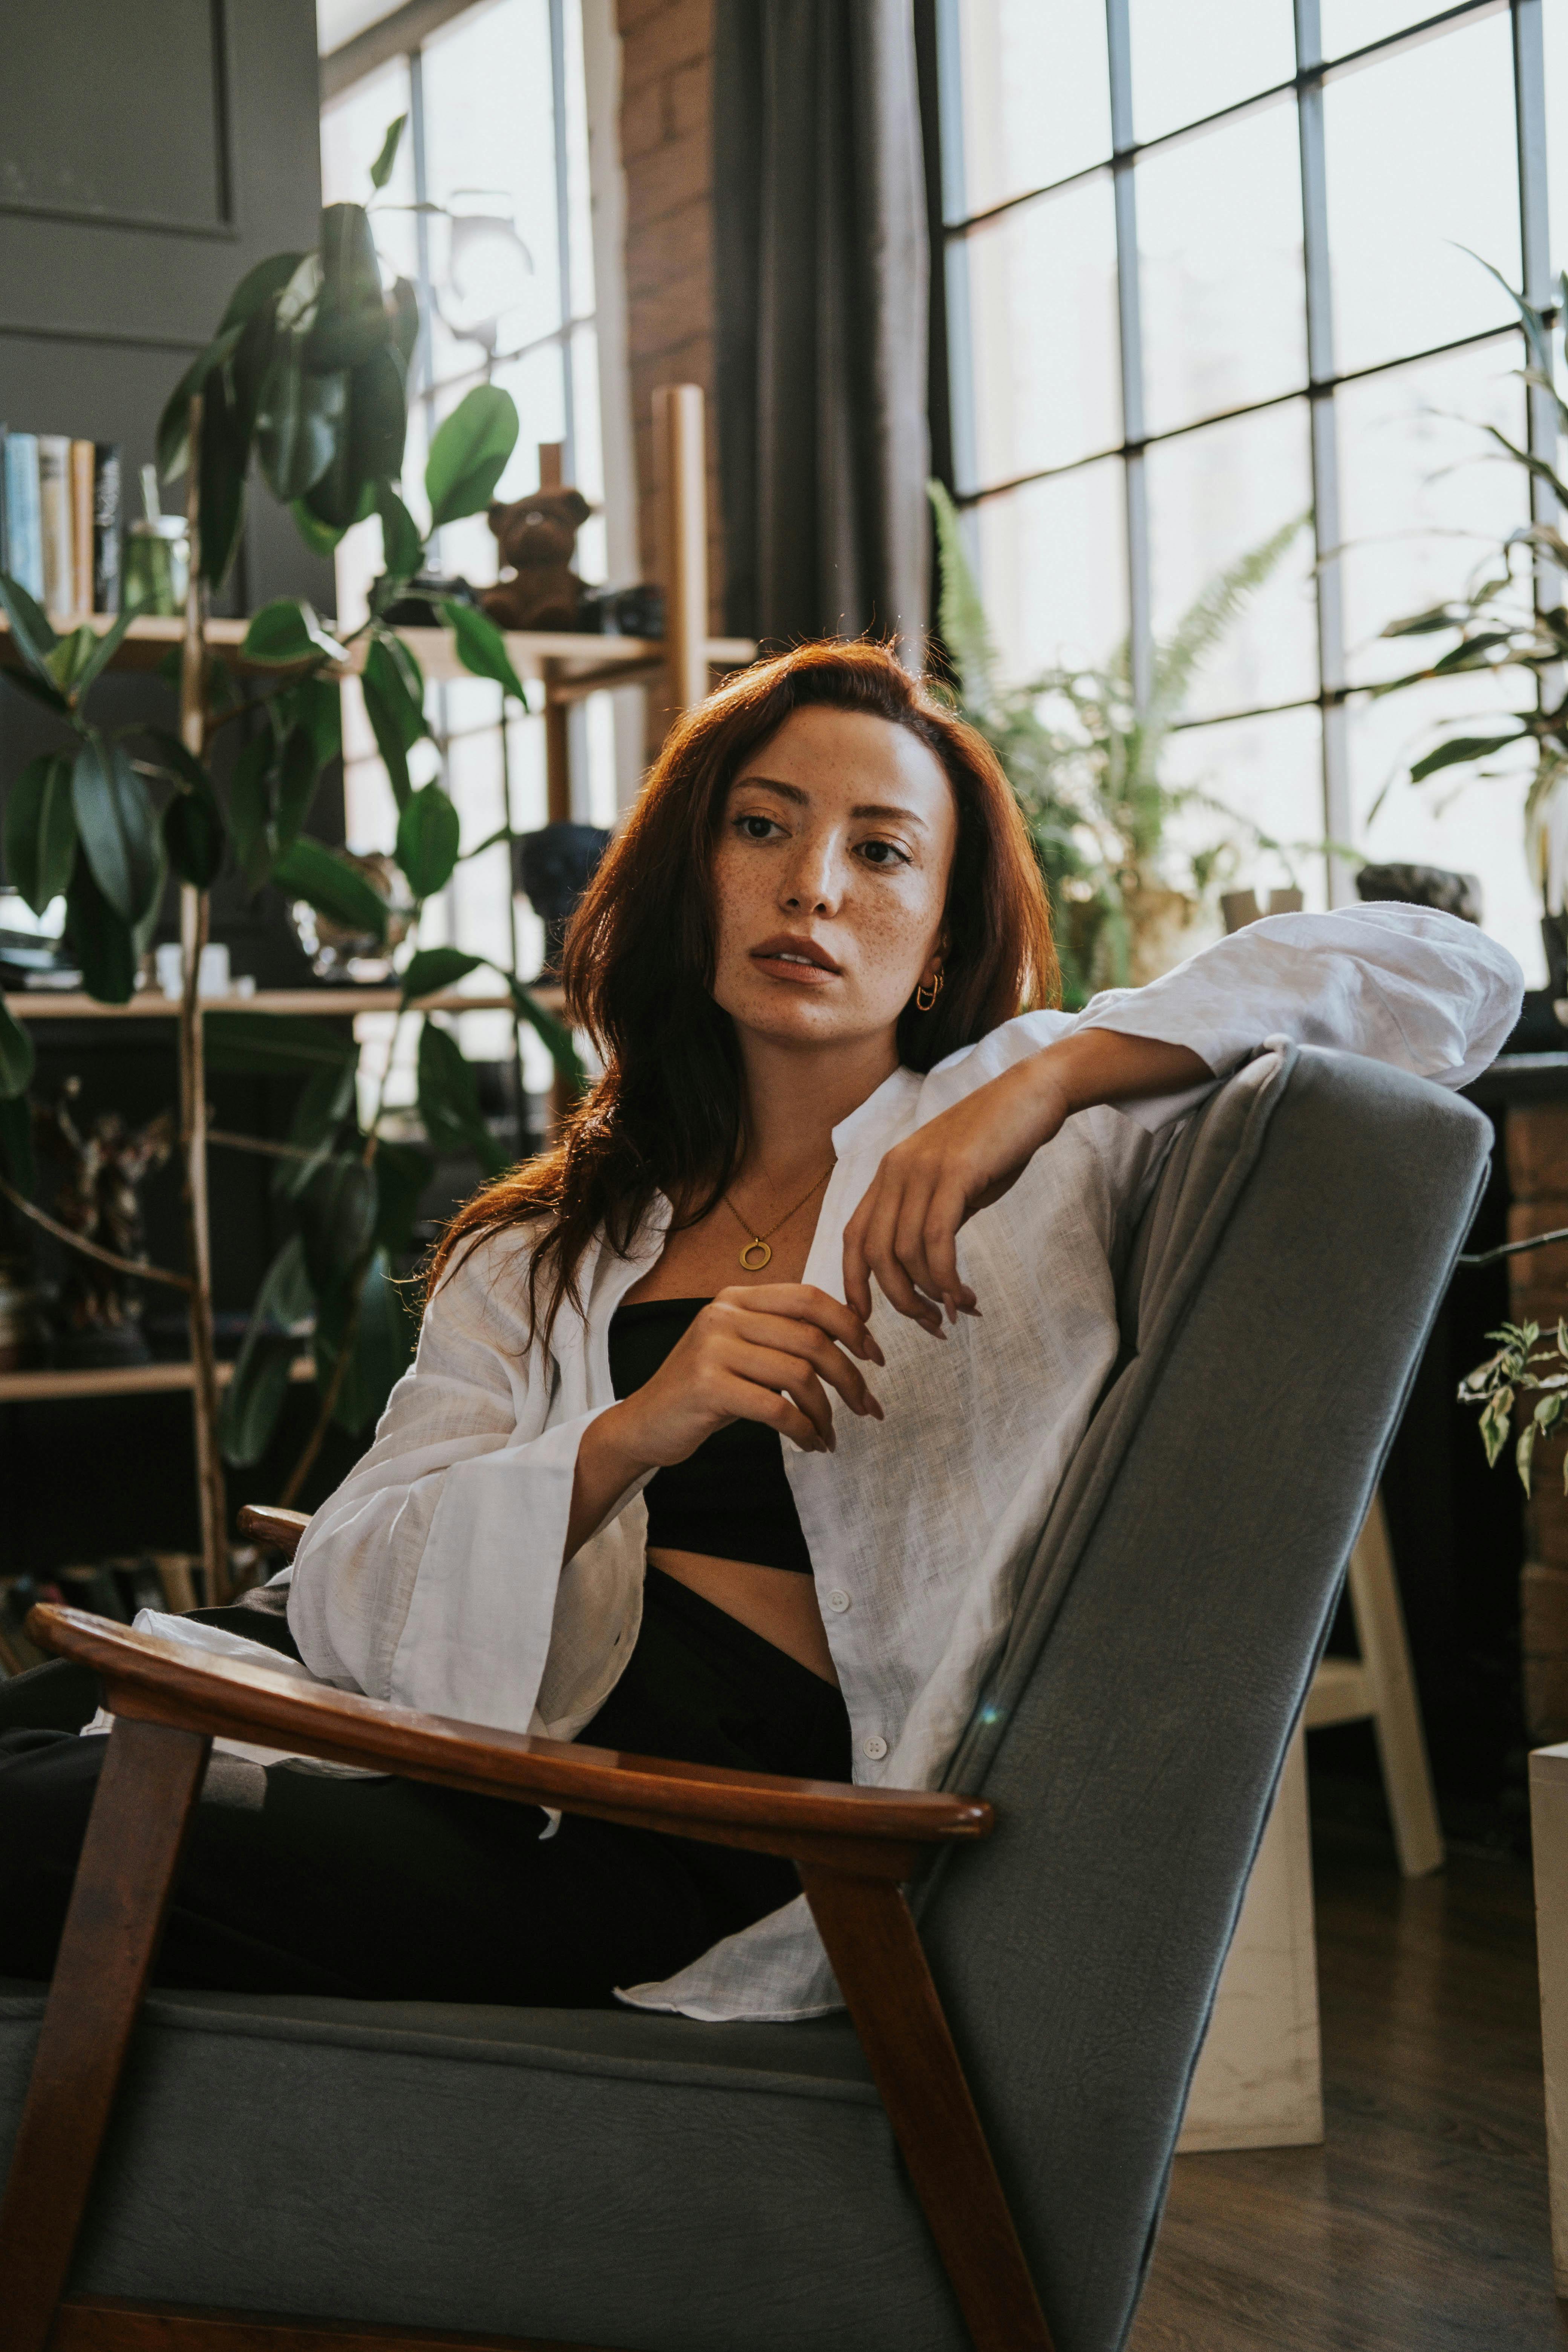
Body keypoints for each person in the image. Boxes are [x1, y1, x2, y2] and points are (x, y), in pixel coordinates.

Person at [0, 641, 1521, 2019]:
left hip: (667, 1832)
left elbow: (1451, 976)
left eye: (879, 851)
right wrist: (630, 1434)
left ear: (936, 943)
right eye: (761, 827)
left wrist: (1043, 1082)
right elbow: (345, 1581)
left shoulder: (1043, 1151)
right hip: (426, 1733)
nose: (811, 888)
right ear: (693, 877)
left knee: (33, 1828)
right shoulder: (544, 1248)